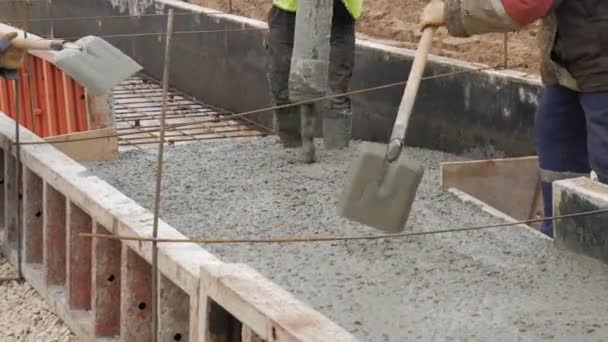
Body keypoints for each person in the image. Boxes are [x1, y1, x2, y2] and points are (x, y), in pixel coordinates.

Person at [421, 0, 608, 237]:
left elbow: (524, 4)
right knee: (556, 140)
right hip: (573, 58)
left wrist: (452, 12)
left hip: (599, 58)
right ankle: (561, 236)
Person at [266, 0, 362, 149]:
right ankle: (291, 148)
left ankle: (337, 157)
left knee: (336, 93)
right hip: (290, 7)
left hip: (339, 10)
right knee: (282, 88)